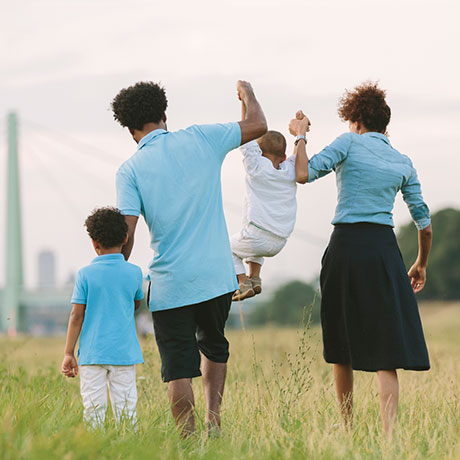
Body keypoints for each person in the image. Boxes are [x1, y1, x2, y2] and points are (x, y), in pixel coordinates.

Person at [112, 80, 267, 436]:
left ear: (131, 130)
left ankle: (187, 442)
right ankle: (214, 422)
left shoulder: (130, 170)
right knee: (214, 347)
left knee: (178, 369)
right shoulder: (202, 138)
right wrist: (248, 96)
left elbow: (127, 235)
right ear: (165, 115)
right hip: (216, 277)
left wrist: (117, 279)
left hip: (170, 285)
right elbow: (259, 126)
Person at [289, 82, 432, 437]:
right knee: (387, 350)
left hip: (347, 247)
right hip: (384, 250)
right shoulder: (402, 161)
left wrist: (300, 137)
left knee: (341, 343)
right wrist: (421, 263)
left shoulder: (347, 142)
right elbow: (424, 223)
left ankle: (347, 428)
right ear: (385, 126)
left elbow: (303, 173)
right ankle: (389, 437)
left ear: (354, 120)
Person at [61, 207, 144, 428]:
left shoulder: (85, 275)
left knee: (93, 411)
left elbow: (76, 316)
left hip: (92, 354)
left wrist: (69, 352)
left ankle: (96, 450)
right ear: (126, 238)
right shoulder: (135, 273)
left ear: (94, 242)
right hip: (124, 354)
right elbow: (135, 303)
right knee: (126, 410)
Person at [231, 126, 309, 301]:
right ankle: (255, 278)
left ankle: (243, 283)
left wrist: (244, 101)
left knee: (226, 249)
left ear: (259, 153)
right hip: (279, 241)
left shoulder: (257, 165)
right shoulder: (289, 169)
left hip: (256, 236)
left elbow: (247, 138)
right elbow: (297, 154)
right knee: (253, 241)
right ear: (283, 157)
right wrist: (300, 133)